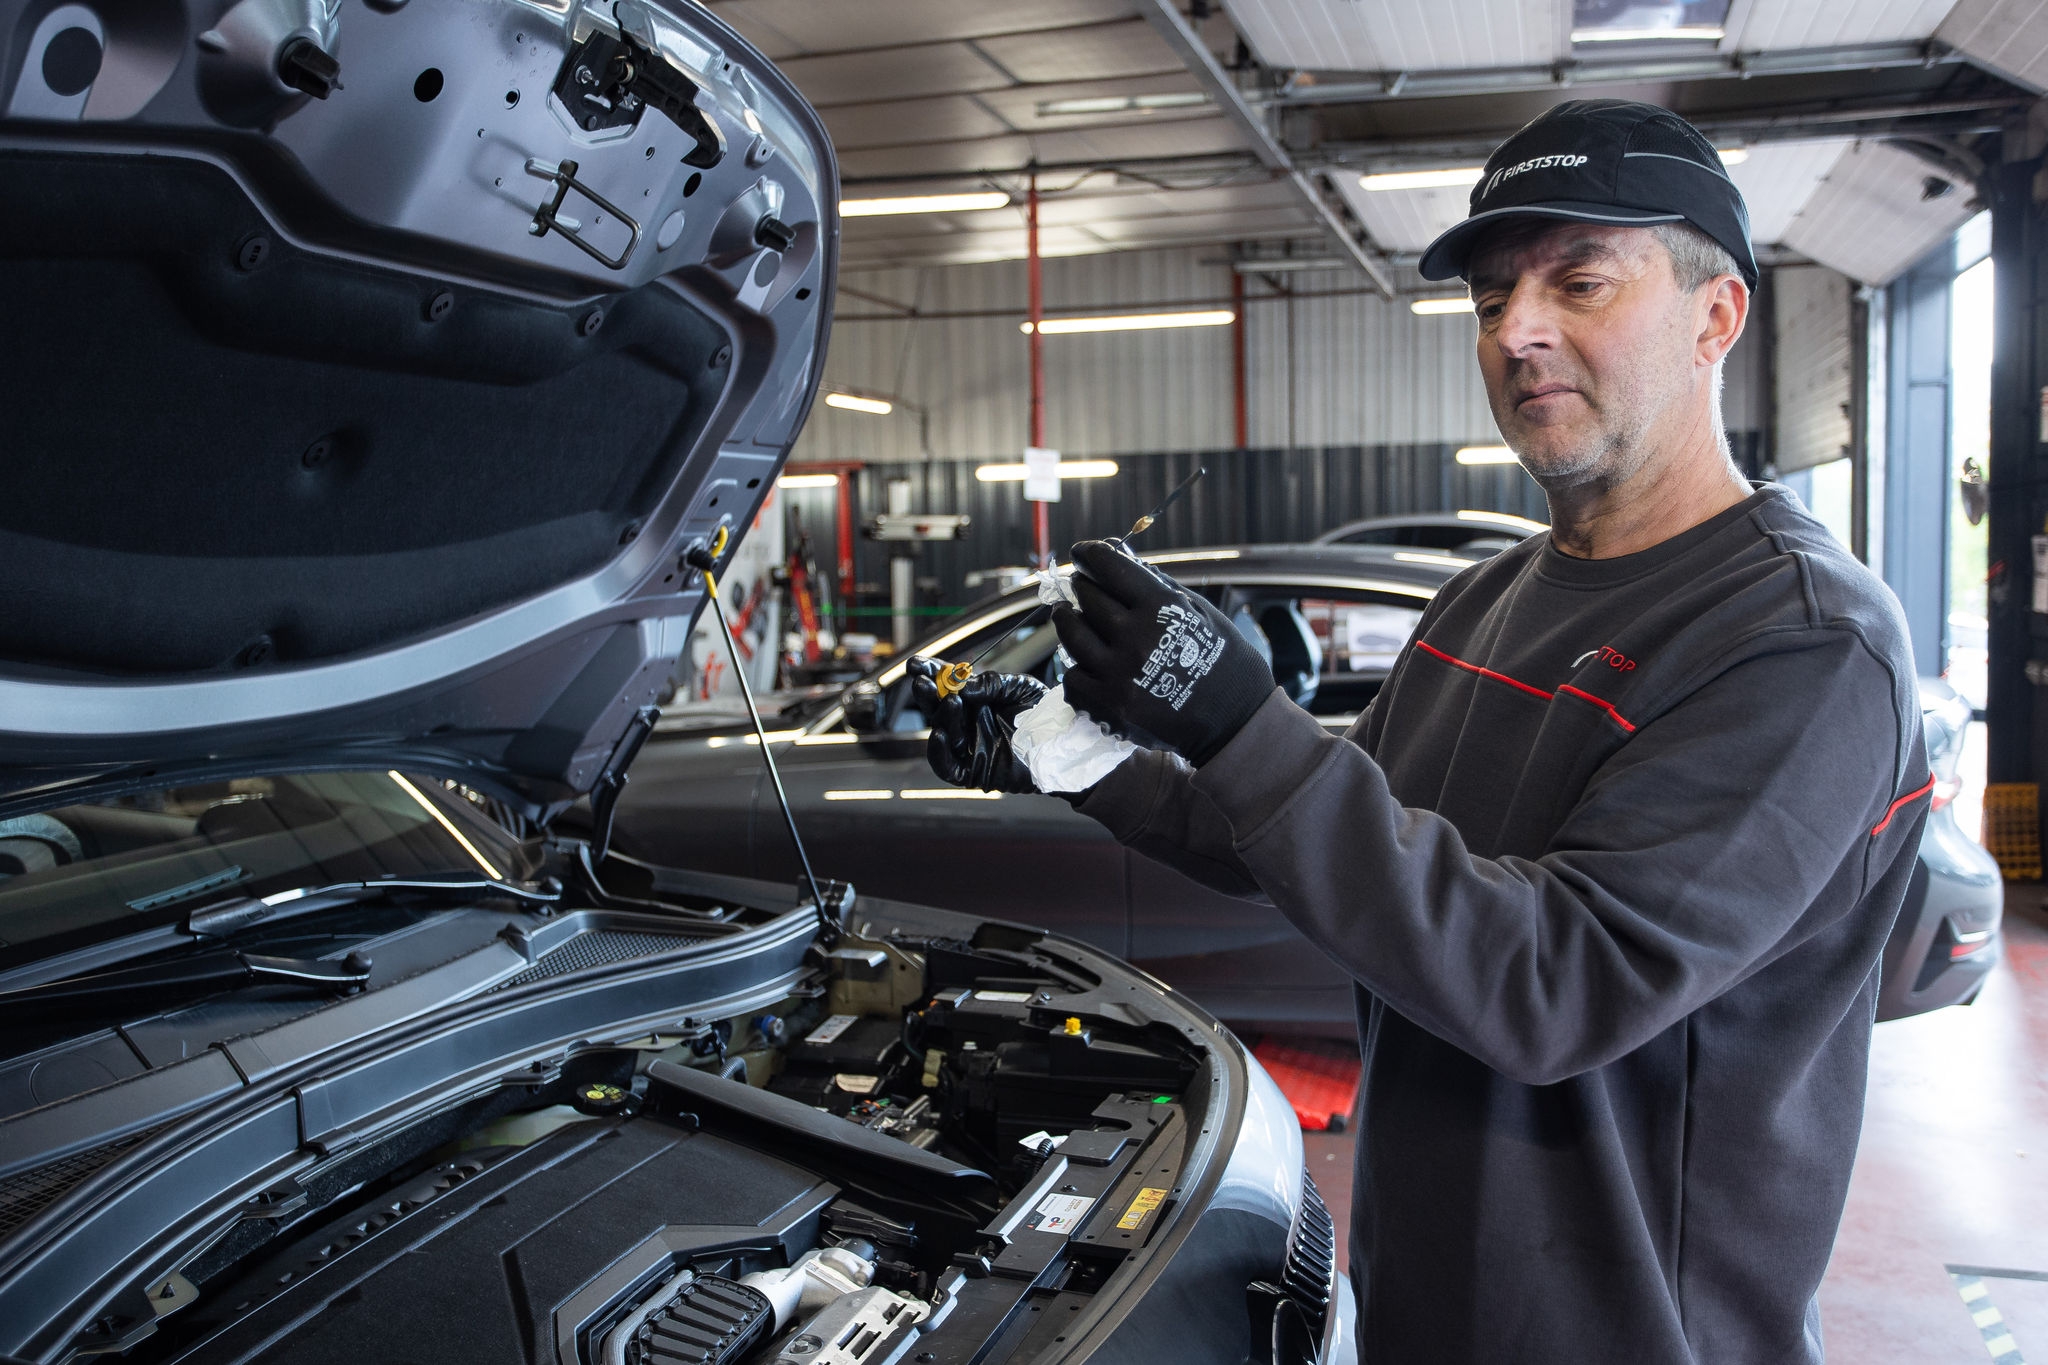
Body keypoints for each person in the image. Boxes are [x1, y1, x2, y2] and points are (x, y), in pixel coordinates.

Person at [910, 99, 1932, 1364]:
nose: (1520, 332)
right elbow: (1305, 840)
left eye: (1579, 282)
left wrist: (1237, 712)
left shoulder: (1800, 642)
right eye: (1491, 298)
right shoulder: (1483, 597)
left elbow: (1553, 984)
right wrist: (1072, 754)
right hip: (1418, 1299)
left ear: (1715, 318)